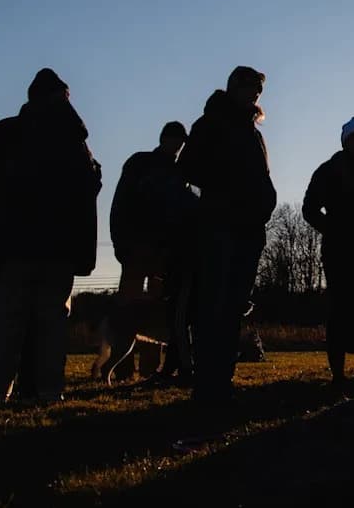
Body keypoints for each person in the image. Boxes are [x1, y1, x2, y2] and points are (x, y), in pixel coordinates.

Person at [0, 68, 102, 404]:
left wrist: (5, 186)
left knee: (7, 322)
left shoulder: (8, 131)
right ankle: (48, 390)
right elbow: (90, 187)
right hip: (59, 246)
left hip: (13, 242)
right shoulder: (75, 141)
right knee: (52, 324)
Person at [178, 66, 276, 405]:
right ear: (234, 87)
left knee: (233, 306)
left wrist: (265, 201)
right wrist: (228, 187)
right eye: (251, 89)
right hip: (220, 227)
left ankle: (222, 378)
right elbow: (187, 167)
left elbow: (261, 177)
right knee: (213, 305)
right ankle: (207, 382)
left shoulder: (253, 133)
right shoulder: (210, 125)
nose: (255, 96)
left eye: (259, 92)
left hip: (250, 229)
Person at [104, 122, 192, 381]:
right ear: (164, 138)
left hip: (162, 252)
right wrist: (122, 243)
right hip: (138, 248)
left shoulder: (176, 172)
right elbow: (121, 204)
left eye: (180, 141)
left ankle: (149, 368)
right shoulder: (142, 165)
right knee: (129, 310)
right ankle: (123, 368)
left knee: (154, 312)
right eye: (174, 139)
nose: (177, 145)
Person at [303, 117, 354, 395]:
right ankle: (337, 374)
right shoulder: (329, 171)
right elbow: (310, 208)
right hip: (339, 252)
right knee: (339, 310)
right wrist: (332, 229)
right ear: (346, 141)